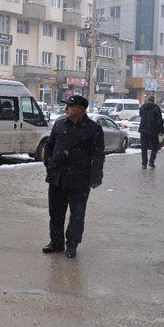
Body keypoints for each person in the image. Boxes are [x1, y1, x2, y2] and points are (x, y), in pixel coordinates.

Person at [43, 95, 104, 259]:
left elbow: (98, 156)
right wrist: (49, 164)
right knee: (55, 213)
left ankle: (72, 245)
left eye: (69, 106)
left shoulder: (93, 129)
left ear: (80, 109)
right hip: (57, 177)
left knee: (77, 214)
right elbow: (49, 146)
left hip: (80, 179)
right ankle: (56, 242)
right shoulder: (59, 123)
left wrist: (96, 177)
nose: (66, 109)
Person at [138, 96, 164, 169]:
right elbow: (160, 120)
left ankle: (144, 164)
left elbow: (140, 115)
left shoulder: (142, 107)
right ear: (153, 100)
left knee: (144, 148)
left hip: (143, 131)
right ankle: (151, 162)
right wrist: (161, 130)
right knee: (155, 147)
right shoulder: (156, 108)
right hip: (153, 131)